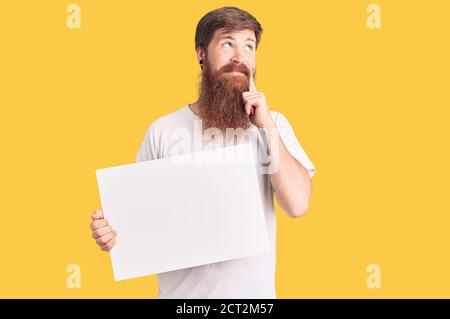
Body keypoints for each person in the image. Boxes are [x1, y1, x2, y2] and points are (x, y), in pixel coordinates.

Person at [90, 6, 316, 298]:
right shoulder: (163, 131)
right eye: (227, 43)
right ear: (201, 54)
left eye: (249, 46)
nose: (239, 56)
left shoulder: (274, 125)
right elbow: (137, 223)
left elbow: (298, 205)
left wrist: (267, 126)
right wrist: (111, 234)